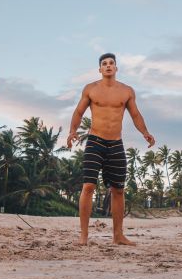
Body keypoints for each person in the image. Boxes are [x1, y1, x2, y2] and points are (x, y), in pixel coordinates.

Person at [65, 53, 155, 246]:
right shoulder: (90, 89)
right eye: (104, 64)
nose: (108, 66)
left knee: (118, 190)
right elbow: (79, 112)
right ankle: (84, 236)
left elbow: (135, 114)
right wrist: (72, 131)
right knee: (88, 186)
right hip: (94, 142)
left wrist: (145, 132)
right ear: (100, 69)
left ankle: (118, 236)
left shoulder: (127, 91)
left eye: (111, 63)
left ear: (116, 68)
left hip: (116, 143)